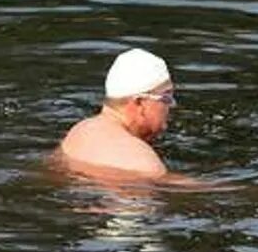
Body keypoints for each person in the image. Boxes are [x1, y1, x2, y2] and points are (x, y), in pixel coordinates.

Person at [58, 48, 177, 180]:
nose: (172, 105)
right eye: (166, 98)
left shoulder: (78, 132)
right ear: (139, 103)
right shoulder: (141, 163)